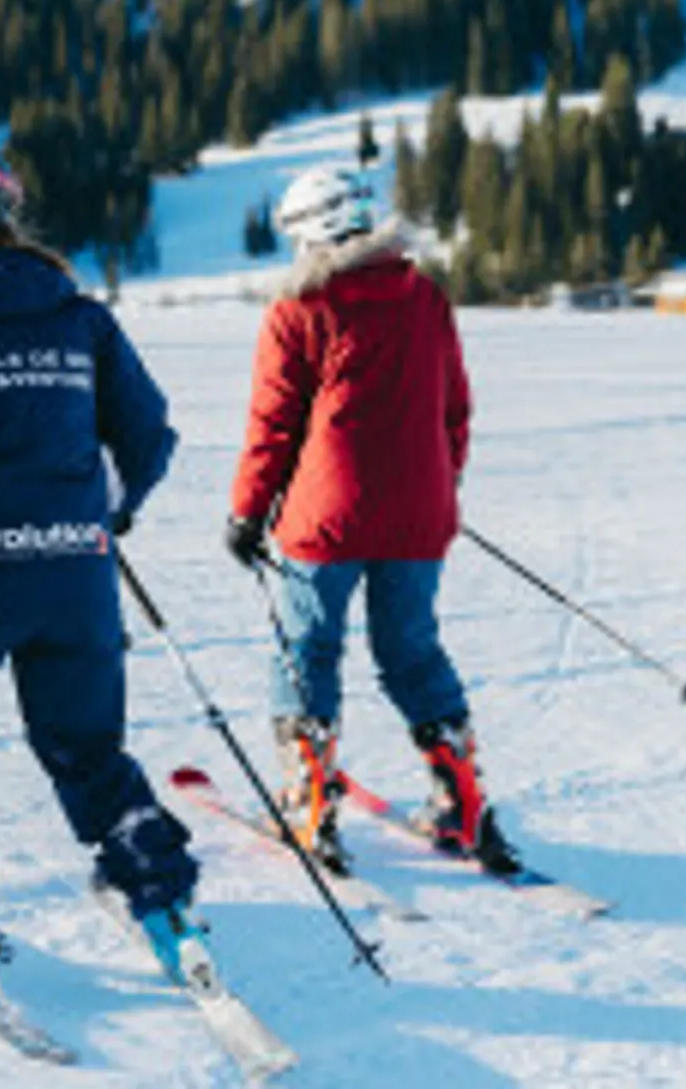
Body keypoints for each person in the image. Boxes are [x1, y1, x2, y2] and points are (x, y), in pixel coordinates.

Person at [0, 143, 204, 977]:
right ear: (9, 214)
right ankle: (162, 897)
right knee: (88, 744)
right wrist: (109, 513)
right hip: (76, 567)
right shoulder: (79, 314)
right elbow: (149, 437)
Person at [223, 162, 519, 874]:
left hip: (325, 520)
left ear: (308, 233)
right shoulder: (425, 297)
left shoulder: (298, 309)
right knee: (411, 650)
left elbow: (274, 425)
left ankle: (309, 806)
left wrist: (247, 511)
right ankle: (463, 805)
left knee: (306, 650)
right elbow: (454, 408)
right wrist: (437, 480)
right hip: (419, 514)